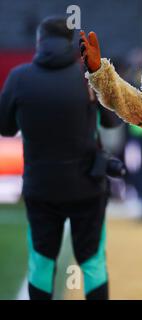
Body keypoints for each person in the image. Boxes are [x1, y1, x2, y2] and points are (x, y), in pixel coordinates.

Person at [0, 17, 120, 300]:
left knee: (42, 262)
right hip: (88, 185)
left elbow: (5, 127)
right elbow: (112, 123)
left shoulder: (19, 77)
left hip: (41, 187)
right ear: (73, 44)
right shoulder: (88, 76)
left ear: (39, 42)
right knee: (91, 263)